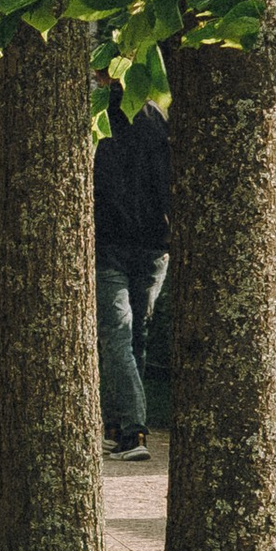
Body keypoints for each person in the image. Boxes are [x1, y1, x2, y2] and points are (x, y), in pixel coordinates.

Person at [95, 77, 171, 463]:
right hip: (154, 243)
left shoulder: (94, 117)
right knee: (133, 335)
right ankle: (116, 425)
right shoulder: (154, 116)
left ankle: (131, 430)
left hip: (109, 241)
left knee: (116, 337)